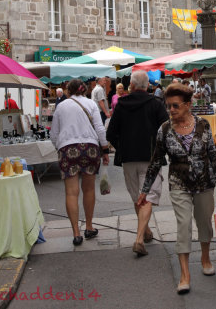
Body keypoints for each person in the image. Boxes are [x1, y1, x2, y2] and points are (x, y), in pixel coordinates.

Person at [138, 83, 216, 295]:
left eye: (175, 106)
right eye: (168, 106)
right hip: (179, 183)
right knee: (183, 224)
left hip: (205, 183)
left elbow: (213, 155)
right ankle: (184, 274)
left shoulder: (204, 125)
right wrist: (145, 189)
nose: (171, 110)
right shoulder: (164, 130)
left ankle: (205, 257)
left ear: (188, 105)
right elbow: (156, 160)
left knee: (204, 222)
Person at [106, 71, 169, 256]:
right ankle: (139, 238)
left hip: (128, 158)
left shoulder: (121, 105)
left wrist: (122, 147)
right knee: (147, 197)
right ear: (148, 86)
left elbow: (110, 134)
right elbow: (166, 130)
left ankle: (146, 232)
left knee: (138, 198)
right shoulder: (155, 104)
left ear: (131, 86)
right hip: (150, 157)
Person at [51, 79, 110, 246]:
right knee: (89, 189)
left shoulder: (61, 106)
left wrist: (60, 147)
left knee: (71, 192)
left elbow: (54, 135)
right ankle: (89, 227)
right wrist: (105, 149)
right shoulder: (91, 104)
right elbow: (99, 129)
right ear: (84, 90)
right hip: (90, 147)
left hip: (67, 148)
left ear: (68, 91)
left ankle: (76, 233)